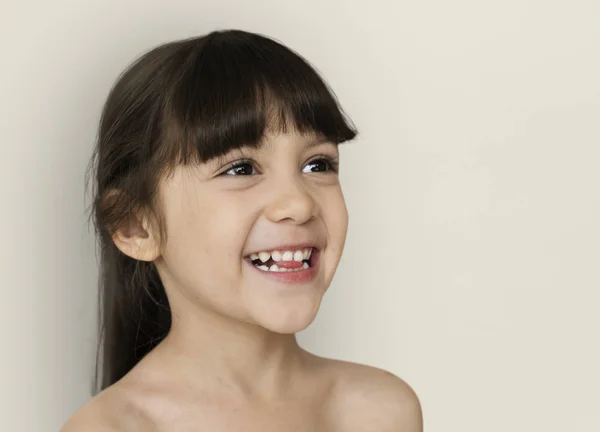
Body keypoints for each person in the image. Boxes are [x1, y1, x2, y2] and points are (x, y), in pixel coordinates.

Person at [62, 29, 423, 431]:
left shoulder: (381, 411)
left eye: (317, 164)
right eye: (241, 169)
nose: (299, 204)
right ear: (136, 225)